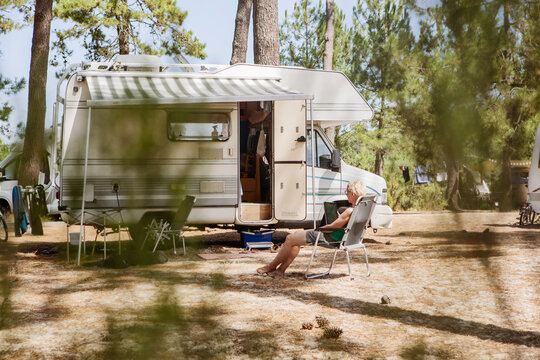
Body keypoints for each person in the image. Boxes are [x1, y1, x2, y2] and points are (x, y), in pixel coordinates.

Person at [256, 180, 367, 276]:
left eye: (347, 192)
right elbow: (345, 226)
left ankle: (270, 266)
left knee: (290, 238)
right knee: (294, 242)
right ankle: (280, 270)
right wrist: (340, 220)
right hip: (342, 239)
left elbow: (331, 228)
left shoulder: (349, 211)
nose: (346, 194)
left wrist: (319, 229)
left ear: (353, 194)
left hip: (329, 237)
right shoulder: (361, 210)